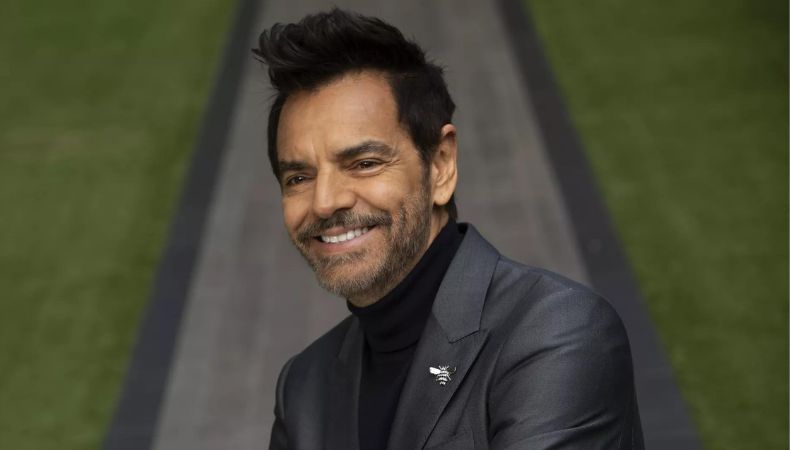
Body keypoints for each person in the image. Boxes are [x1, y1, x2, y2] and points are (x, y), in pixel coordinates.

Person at [253, 8, 643, 450]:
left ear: (440, 166)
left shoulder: (556, 333)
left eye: (364, 163)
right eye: (298, 178)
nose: (325, 201)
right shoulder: (303, 386)